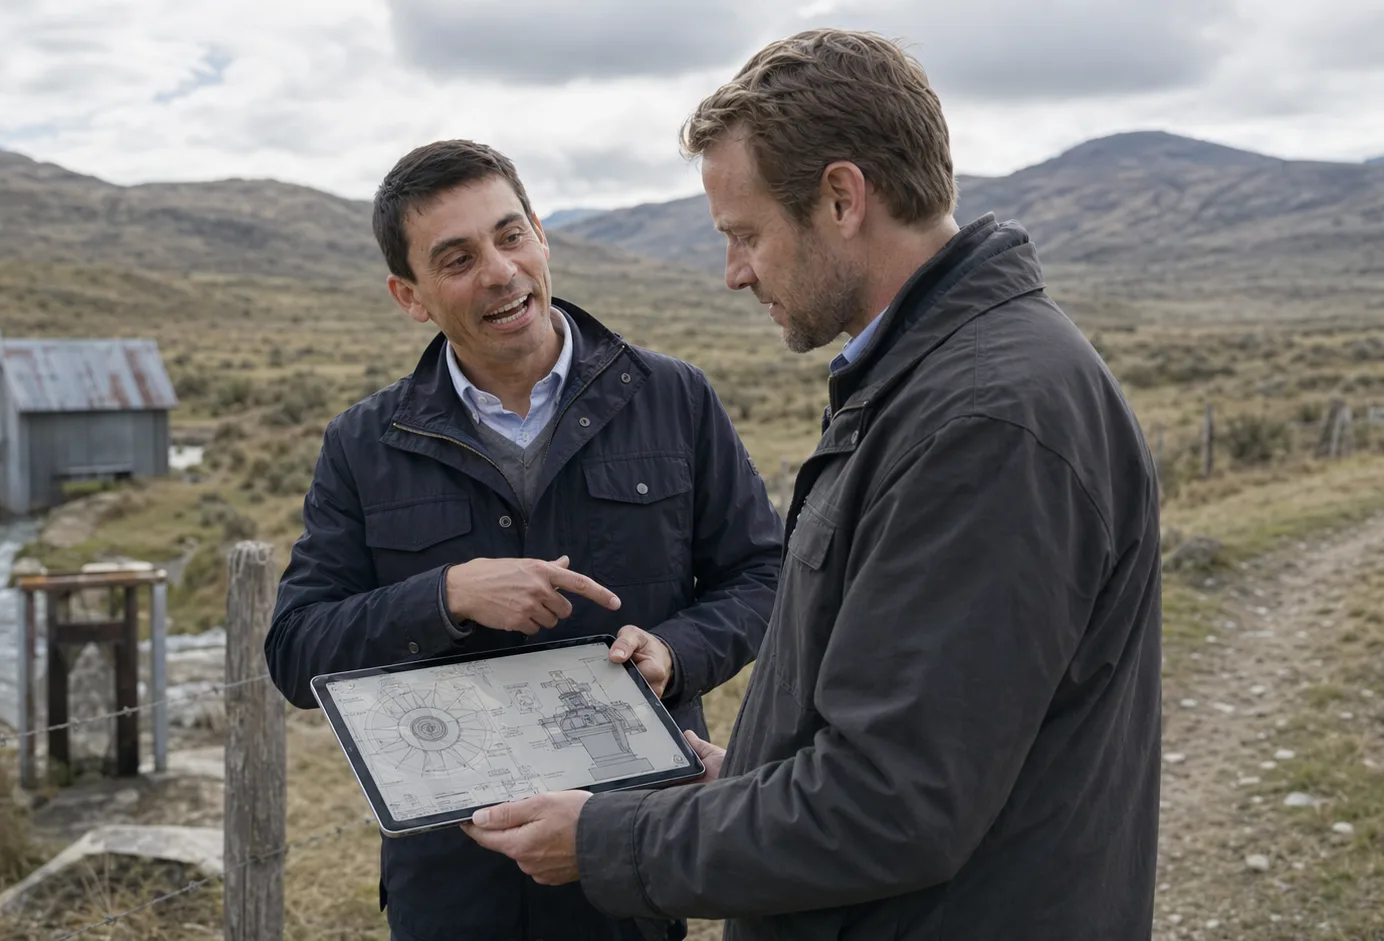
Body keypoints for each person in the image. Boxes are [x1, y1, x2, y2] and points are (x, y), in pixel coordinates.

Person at [463, 28, 1163, 941]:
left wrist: (611, 839)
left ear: (841, 198)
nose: (734, 273)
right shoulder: (927, 384)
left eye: (746, 234)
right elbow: (909, 724)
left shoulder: (985, 425)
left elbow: (892, 804)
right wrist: (746, 774)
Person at [264, 138, 785, 941]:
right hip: (453, 883)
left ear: (541, 235)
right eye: (458, 258)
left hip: (629, 858)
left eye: (511, 236)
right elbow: (297, 651)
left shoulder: (672, 398)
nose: (500, 271)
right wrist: (445, 597)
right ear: (411, 295)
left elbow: (761, 577)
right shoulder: (364, 444)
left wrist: (676, 652)